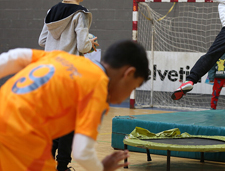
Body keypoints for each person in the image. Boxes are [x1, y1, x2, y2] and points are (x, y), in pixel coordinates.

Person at [0, 40, 149, 171]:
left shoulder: (61, 56)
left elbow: (17, 56)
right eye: (133, 87)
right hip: (20, 140)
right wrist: (101, 168)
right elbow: (82, 153)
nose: (129, 93)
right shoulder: (98, 88)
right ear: (128, 74)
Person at [38, 0, 99, 171]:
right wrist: (91, 44)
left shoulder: (50, 12)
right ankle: (62, 166)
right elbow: (82, 46)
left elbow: (42, 40)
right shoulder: (80, 14)